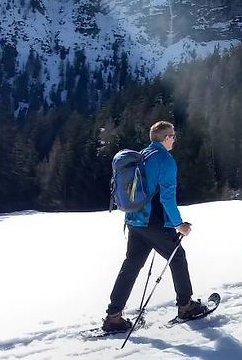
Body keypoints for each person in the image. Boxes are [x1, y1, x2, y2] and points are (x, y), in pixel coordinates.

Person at [101, 121, 206, 333]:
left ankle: (113, 316)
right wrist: (179, 224)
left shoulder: (141, 155)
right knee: (177, 258)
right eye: (173, 136)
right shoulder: (166, 160)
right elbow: (167, 197)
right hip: (154, 222)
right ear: (166, 138)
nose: (174, 139)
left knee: (131, 266)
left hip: (134, 220)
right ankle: (186, 306)